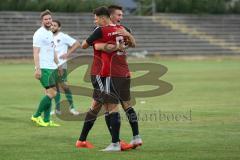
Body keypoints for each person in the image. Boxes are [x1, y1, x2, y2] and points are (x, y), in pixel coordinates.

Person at [76, 6, 133, 151]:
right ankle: (115, 142)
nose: (94, 21)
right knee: (109, 106)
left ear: (102, 17)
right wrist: (115, 46)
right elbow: (90, 46)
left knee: (97, 106)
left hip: (103, 73)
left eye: (95, 18)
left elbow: (85, 45)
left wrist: (117, 44)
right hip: (100, 73)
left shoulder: (106, 30)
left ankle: (82, 140)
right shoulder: (105, 30)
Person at [31, 10, 60, 127]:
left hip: (51, 67)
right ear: (42, 21)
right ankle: (36, 115)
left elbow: (52, 51)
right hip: (44, 68)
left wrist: (58, 65)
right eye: (46, 19)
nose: (48, 21)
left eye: (50, 19)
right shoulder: (39, 34)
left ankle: (47, 120)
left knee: (49, 93)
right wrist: (37, 69)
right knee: (53, 93)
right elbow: (35, 53)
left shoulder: (50, 33)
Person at [50, 20, 80, 116]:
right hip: (51, 65)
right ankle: (57, 109)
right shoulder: (48, 36)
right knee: (55, 87)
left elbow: (77, 44)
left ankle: (72, 108)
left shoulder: (63, 36)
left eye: (55, 25)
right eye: (52, 25)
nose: (52, 27)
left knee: (64, 86)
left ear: (59, 28)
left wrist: (68, 53)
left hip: (61, 64)